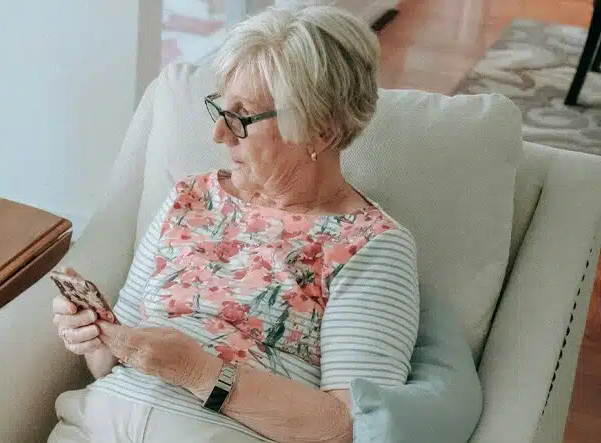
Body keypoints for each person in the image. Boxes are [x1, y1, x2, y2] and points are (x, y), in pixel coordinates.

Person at [48, 5, 420, 443]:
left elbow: (348, 428)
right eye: (220, 110)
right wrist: (95, 335)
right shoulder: (189, 198)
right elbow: (108, 364)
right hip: (94, 427)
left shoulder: (372, 246)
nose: (219, 135)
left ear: (321, 131)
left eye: (242, 117)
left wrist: (196, 370)